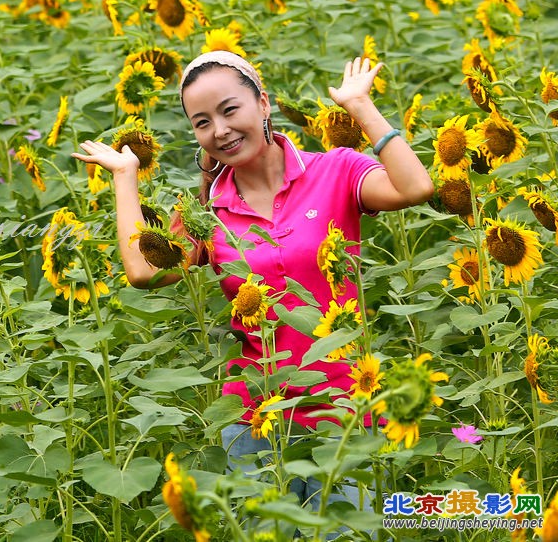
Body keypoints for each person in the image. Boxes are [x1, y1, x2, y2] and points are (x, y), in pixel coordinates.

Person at [71, 50, 434, 512]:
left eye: (229, 110)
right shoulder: (207, 216)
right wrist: (126, 178)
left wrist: (361, 108)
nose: (219, 130)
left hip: (345, 411)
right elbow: (144, 272)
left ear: (262, 103)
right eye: (202, 122)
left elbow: (416, 188)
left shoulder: (335, 171)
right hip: (255, 421)